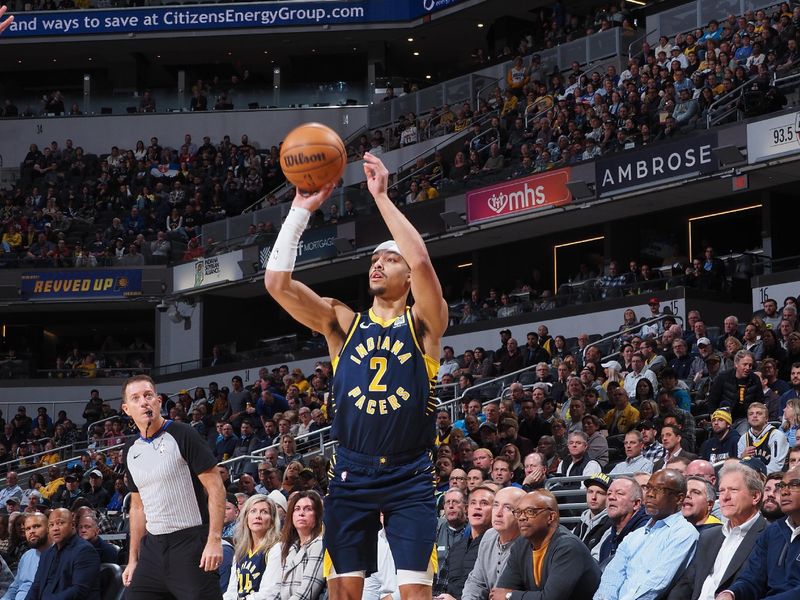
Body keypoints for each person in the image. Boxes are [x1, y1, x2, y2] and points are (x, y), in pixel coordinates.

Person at [264, 152, 448, 600]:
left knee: (414, 593)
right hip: (350, 470)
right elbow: (276, 283)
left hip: (410, 473)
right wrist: (299, 212)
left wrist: (381, 197)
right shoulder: (343, 322)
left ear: (405, 273)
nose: (378, 265)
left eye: (389, 259)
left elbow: (423, 261)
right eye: (375, 260)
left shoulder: (424, 323)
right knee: (344, 593)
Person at [120, 374, 226, 599]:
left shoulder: (182, 433)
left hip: (190, 544)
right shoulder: (130, 449)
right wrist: (133, 559)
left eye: (148, 395)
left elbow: (216, 487)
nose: (144, 402)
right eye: (136, 398)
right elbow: (137, 507)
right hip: (152, 549)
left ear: (158, 401)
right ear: (127, 409)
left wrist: (214, 540)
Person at [666, 463, 766, 600]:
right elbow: (687, 584)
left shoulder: (769, 536)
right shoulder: (709, 536)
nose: (725, 497)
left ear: (755, 496)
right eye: (722, 490)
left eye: (733, 490)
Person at [594, 470, 699, 600]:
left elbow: (657, 584)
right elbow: (611, 577)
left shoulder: (684, 533)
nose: (649, 494)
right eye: (648, 488)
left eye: (659, 489)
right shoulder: (634, 536)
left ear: (679, 498)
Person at [490, 490, 601, 600]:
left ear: (551, 517)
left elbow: (551, 598)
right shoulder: (521, 545)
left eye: (530, 511)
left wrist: (510, 596)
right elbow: (501, 592)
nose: (522, 517)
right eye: (518, 512)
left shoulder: (568, 547)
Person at [716, 467, 800, 600]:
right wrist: (731, 594)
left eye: (794, 485)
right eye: (782, 486)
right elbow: (752, 578)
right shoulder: (772, 532)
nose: (784, 492)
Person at [460, 487, 526, 600]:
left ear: (522, 514)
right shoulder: (488, 536)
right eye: (496, 505)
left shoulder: (528, 544)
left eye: (507, 507)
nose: (498, 513)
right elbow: (476, 582)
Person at [26, 508, 101, 600]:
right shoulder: (47, 554)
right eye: (51, 525)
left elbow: (79, 591)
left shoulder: (85, 551)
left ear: (73, 525)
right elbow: (36, 587)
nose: (55, 528)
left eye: (60, 523)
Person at [223, 494, 281, 600]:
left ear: (272, 520)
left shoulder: (276, 549)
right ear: (246, 517)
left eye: (264, 512)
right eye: (253, 511)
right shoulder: (240, 551)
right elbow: (232, 591)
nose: (258, 516)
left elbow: (270, 593)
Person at [274, 491, 324, 600]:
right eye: (297, 509)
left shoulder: (319, 545)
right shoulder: (288, 547)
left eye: (308, 509)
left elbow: (306, 594)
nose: (301, 513)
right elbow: (277, 590)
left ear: (317, 515)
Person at [597, 476, 648, 566]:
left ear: (636, 504)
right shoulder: (606, 544)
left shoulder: (646, 535)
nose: (611, 497)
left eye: (619, 493)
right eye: (609, 493)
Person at [1, 512, 49, 600]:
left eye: (36, 526)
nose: (31, 531)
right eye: (28, 529)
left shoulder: (58, 555)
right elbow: (15, 587)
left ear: (48, 528)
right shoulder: (26, 556)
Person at [736, 402, 788, 474]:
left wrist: (756, 477)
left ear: (766, 418)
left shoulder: (776, 435)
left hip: (772, 480)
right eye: (751, 414)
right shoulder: (743, 438)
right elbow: (738, 467)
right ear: (748, 419)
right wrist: (742, 458)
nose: (754, 416)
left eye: (759, 413)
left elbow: (776, 467)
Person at [435, 489, 467, 586]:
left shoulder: (472, 531)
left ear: (466, 507)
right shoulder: (436, 529)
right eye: (447, 502)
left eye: (455, 502)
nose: (451, 506)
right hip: (437, 586)